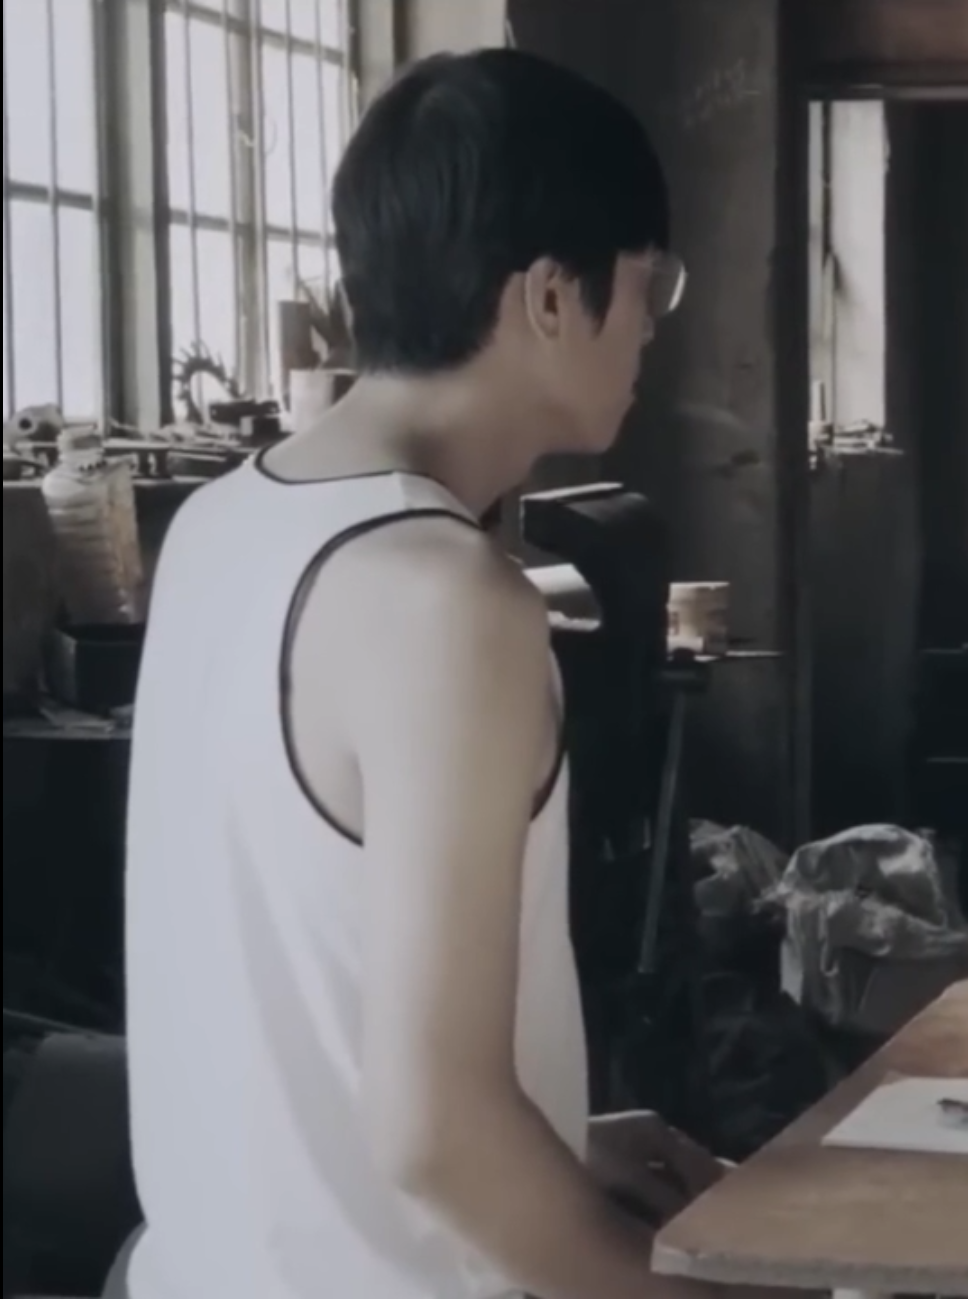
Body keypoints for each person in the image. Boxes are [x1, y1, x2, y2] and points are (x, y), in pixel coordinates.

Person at [120, 51, 754, 1299]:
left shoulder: (220, 525)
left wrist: (557, 1136)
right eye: (650, 284)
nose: (650, 329)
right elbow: (436, 1136)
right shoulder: (445, 600)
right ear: (551, 297)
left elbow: (292, 998)